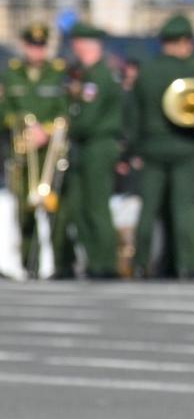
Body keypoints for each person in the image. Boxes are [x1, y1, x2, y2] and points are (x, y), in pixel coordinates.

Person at [126, 14, 194, 278]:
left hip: (152, 147)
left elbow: (133, 114)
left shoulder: (147, 71)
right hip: (184, 146)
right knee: (185, 207)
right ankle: (192, 263)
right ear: (184, 41)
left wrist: (134, 148)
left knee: (149, 208)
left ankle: (141, 262)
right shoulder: (192, 70)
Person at [2, 21, 70, 276]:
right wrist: (22, 127)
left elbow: (64, 111)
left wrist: (46, 130)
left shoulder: (56, 73)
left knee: (55, 208)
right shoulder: (12, 74)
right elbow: (6, 110)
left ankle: (58, 263)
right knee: (24, 208)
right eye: (32, 46)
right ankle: (29, 262)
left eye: (40, 47)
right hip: (22, 151)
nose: (36, 52)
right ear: (24, 47)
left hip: (49, 151)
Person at [60, 23, 122, 279]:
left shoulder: (98, 77)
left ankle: (105, 262)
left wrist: (63, 126)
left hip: (98, 144)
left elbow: (87, 118)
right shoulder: (87, 75)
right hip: (86, 146)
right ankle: (95, 259)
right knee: (82, 207)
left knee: (96, 206)